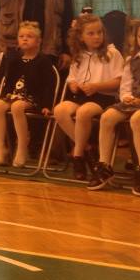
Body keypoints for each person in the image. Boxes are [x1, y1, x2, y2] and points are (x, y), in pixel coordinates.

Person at [89, 19, 140, 196]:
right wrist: (127, 98)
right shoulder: (131, 60)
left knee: (137, 119)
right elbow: (125, 86)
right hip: (134, 101)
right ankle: (104, 166)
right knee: (107, 117)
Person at [52, 13, 124, 180]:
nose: (97, 36)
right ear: (81, 37)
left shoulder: (112, 53)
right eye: (91, 33)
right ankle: (88, 148)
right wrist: (73, 85)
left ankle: (78, 156)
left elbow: (119, 81)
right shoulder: (79, 55)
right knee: (60, 110)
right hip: (83, 96)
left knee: (83, 112)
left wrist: (97, 86)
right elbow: (72, 78)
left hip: (104, 97)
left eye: (99, 32)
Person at [0, 22, 57, 167]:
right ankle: (1, 148)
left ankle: (22, 148)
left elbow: (48, 86)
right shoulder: (15, 60)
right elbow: (9, 83)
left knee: (17, 106)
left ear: (38, 41)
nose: (25, 39)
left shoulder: (43, 61)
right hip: (15, 95)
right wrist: (5, 96)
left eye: (29, 36)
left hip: (34, 98)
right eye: (21, 36)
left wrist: (47, 105)